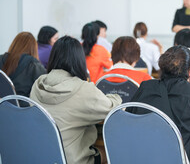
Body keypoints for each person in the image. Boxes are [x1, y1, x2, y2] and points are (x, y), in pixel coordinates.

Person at [30, 36, 122, 164]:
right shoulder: (83, 89)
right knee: (110, 151)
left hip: (39, 156)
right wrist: (116, 97)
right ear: (79, 59)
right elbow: (112, 108)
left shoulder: (37, 84)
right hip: (71, 160)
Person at [0, 32, 46, 98]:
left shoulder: (1, 59)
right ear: (34, 48)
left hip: (2, 104)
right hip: (23, 106)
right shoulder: (35, 66)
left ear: (14, 44)